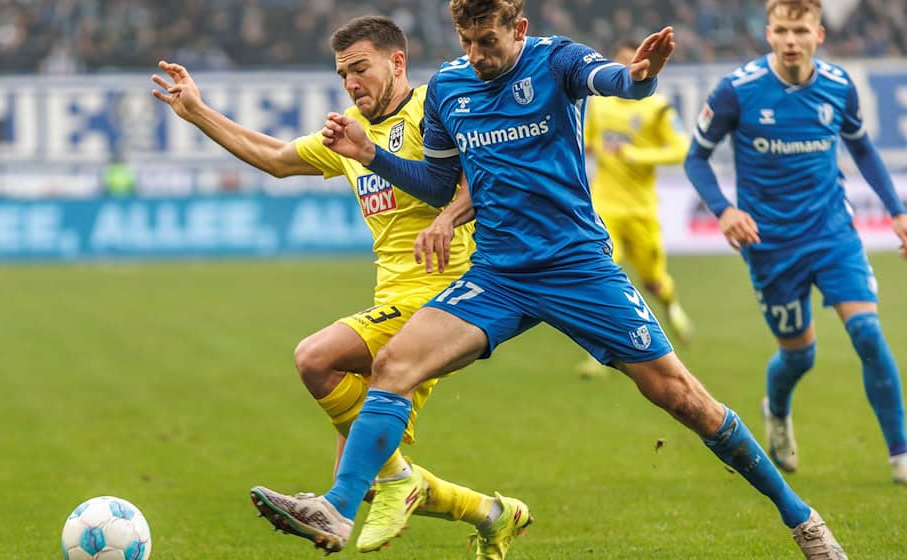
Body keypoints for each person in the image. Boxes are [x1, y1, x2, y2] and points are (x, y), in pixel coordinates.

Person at [249, 1, 846, 558]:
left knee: (681, 397)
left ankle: (801, 517)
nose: (478, 54)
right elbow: (436, 185)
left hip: (577, 268)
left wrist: (640, 75)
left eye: (489, 41)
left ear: (520, 29)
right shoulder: (450, 89)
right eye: (468, 41)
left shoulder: (556, 60)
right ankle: (336, 508)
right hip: (499, 275)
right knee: (393, 367)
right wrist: (370, 153)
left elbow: (616, 81)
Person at [152, 15, 532, 555]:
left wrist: (448, 217)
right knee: (363, 480)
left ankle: (393, 485)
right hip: (392, 308)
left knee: (315, 358)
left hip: (446, 301)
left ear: (396, 62)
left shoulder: (438, 106)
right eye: (343, 74)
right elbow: (278, 160)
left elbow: (481, 178)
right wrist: (198, 113)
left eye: (360, 68)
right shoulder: (350, 131)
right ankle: (493, 514)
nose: (352, 83)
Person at [684, 0, 907, 484]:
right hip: (770, 245)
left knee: (868, 332)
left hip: (832, 234)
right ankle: (777, 412)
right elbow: (696, 160)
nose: (790, 40)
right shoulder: (737, 91)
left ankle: (901, 455)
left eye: (800, 30)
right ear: (768, 32)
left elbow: (863, 148)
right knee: (798, 354)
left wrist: (897, 210)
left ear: (818, 35)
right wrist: (724, 211)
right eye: (781, 29)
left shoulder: (838, 86)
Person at [578, 39, 694, 377]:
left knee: (654, 281)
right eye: (625, 64)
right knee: (602, 277)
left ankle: (671, 306)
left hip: (642, 210)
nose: (633, 69)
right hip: (605, 207)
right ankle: (597, 356)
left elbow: (681, 149)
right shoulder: (599, 106)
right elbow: (589, 141)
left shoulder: (657, 109)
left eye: (638, 63)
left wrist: (638, 156)